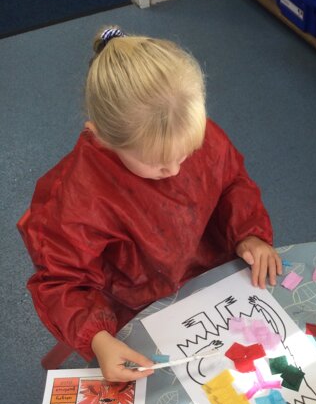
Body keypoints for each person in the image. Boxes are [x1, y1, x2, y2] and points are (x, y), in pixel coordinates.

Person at [19, 27, 282, 382]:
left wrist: (249, 234)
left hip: (208, 269)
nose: (174, 169)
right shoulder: (77, 196)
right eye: (158, 165)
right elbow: (63, 282)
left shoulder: (182, 129)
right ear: (101, 136)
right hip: (132, 302)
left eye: (185, 154)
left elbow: (232, 182)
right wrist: (98, 339)